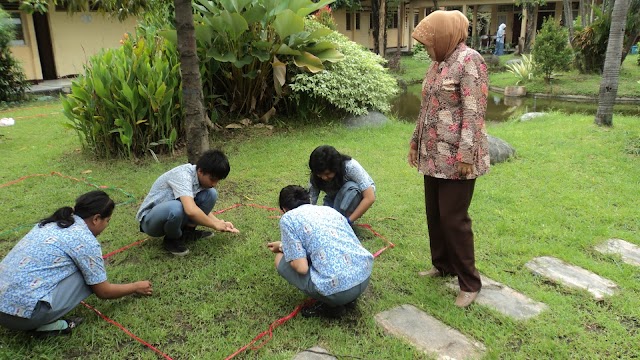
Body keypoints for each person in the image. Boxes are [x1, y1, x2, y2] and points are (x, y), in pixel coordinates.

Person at [409, 10, 490, 308]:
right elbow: (425, 109)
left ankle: (469, 283)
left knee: (454, 220)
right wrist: (415, 143)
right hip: (433, 156)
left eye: (429, 42)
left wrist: (467, 154)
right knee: (435, 214)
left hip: (458, 159)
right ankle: (441, 264)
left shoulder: (471, 60)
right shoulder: (437, 64)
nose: (427, 49)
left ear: (445, 35)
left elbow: (474, 111)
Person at [0, 191, 153, 336]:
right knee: (89, 276)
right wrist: (135, 287)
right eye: (107, 221)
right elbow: (104, 291)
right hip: (22, 319)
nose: (107, 225)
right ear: (96, 219)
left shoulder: (49, 224)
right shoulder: (85, 240)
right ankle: (46, 326)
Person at [267, 185, 373, 318]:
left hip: (339, 290)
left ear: (284, 209)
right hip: (363, 276)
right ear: (309, 200)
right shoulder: (328, 210)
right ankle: (346, 298)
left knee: (280, 259)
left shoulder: (288, 219)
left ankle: (331, 305)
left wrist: (283, 248)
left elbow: (301, 268)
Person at [136, 149, 239, 256]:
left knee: (211, 193)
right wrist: (214, 225)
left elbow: (195, 208)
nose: (214, 184)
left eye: (217, 180)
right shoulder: (183, 175)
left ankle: (187, 233)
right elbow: (191, 210)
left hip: (175, 214)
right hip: (151, 221)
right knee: (176, 207)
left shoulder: (199, 179)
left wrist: (220, 222)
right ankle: (171, 240)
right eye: (212, 179)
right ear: (200, 171)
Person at [308, 145, 375, 224]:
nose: (324, 178)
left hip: (355, 195)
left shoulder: (350, 167)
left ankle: (346, 217)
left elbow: (370, 197)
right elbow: (310, 201)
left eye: (327, 174)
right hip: (334, 197)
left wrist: (348, 221)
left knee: (351, 188)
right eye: (319, 174)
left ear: (335, 167)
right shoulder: (316, 176)